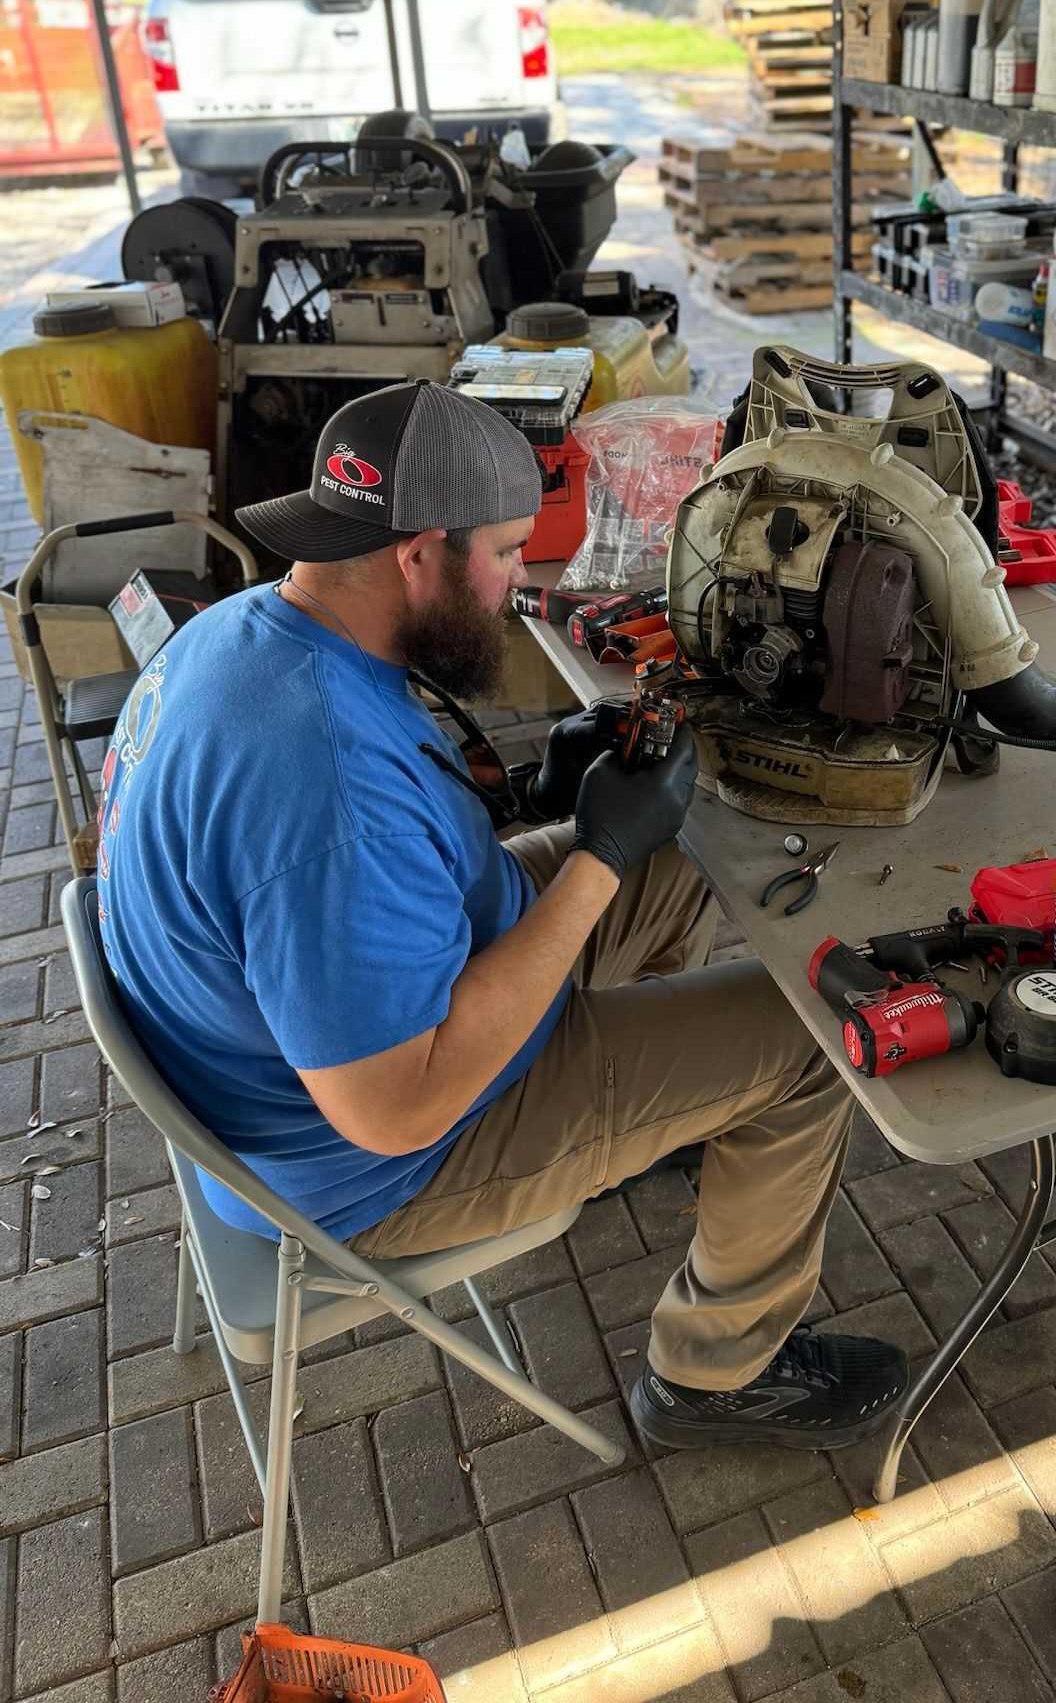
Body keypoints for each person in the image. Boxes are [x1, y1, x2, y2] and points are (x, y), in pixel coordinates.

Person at [98, 380, 906, 1451]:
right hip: (377, 1158)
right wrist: (597, 854)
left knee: (683, 851)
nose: (523, 578)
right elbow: (396, 1107)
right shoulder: (325, 795)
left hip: (332, 1026)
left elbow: (378, 859)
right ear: (419, 553)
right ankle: (719, 1371)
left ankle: (670, 1115)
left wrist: (547, 803)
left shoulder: (254, 631)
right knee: (812, 1041)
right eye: (509, 550)